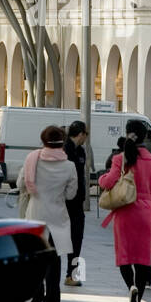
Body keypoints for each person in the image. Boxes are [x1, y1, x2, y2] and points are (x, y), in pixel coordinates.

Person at [98, 119, 151, 302]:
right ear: (146, 136)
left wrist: (102, 177)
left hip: (125, 213)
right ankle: (138, 298)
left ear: (128, 133)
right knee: (143, 260)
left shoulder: (120, 159)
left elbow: (108, 181)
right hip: (147, 215)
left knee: (125, 257)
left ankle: (131, 287)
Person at [22, 126, 78, 302]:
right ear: (62, 142)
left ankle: (36, 294)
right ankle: (52, 301)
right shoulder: (69, 166)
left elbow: (21, 183)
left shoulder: (32, 159)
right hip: (57, 217)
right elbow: (71, 195)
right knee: (54, 260)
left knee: (36, 257)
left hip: (35, 215)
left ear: (43, 140)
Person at [63, 120, 88, 286]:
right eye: (86, 134)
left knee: (76, 238)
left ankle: (72, 274)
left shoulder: (81, 151)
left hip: (77, 201)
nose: (86, 137)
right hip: (64, 202)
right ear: (81, 134)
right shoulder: (65, 150)